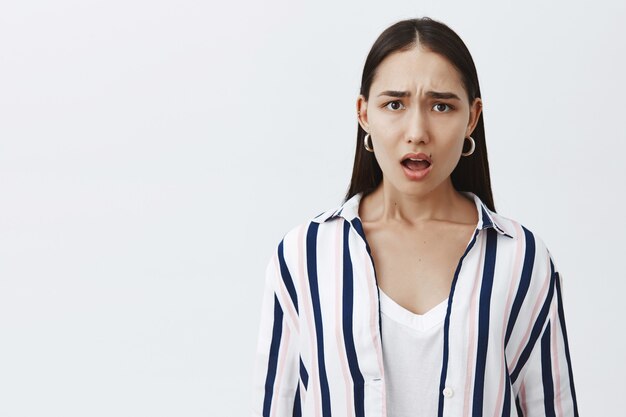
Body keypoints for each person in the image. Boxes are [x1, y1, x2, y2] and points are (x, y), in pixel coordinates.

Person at [251, 17, 578, 417]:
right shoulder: (304, 257)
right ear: (364, 113)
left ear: (472, 117)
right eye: (395, 104)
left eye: (441, 105)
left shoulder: (521, 259)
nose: (418, 131)